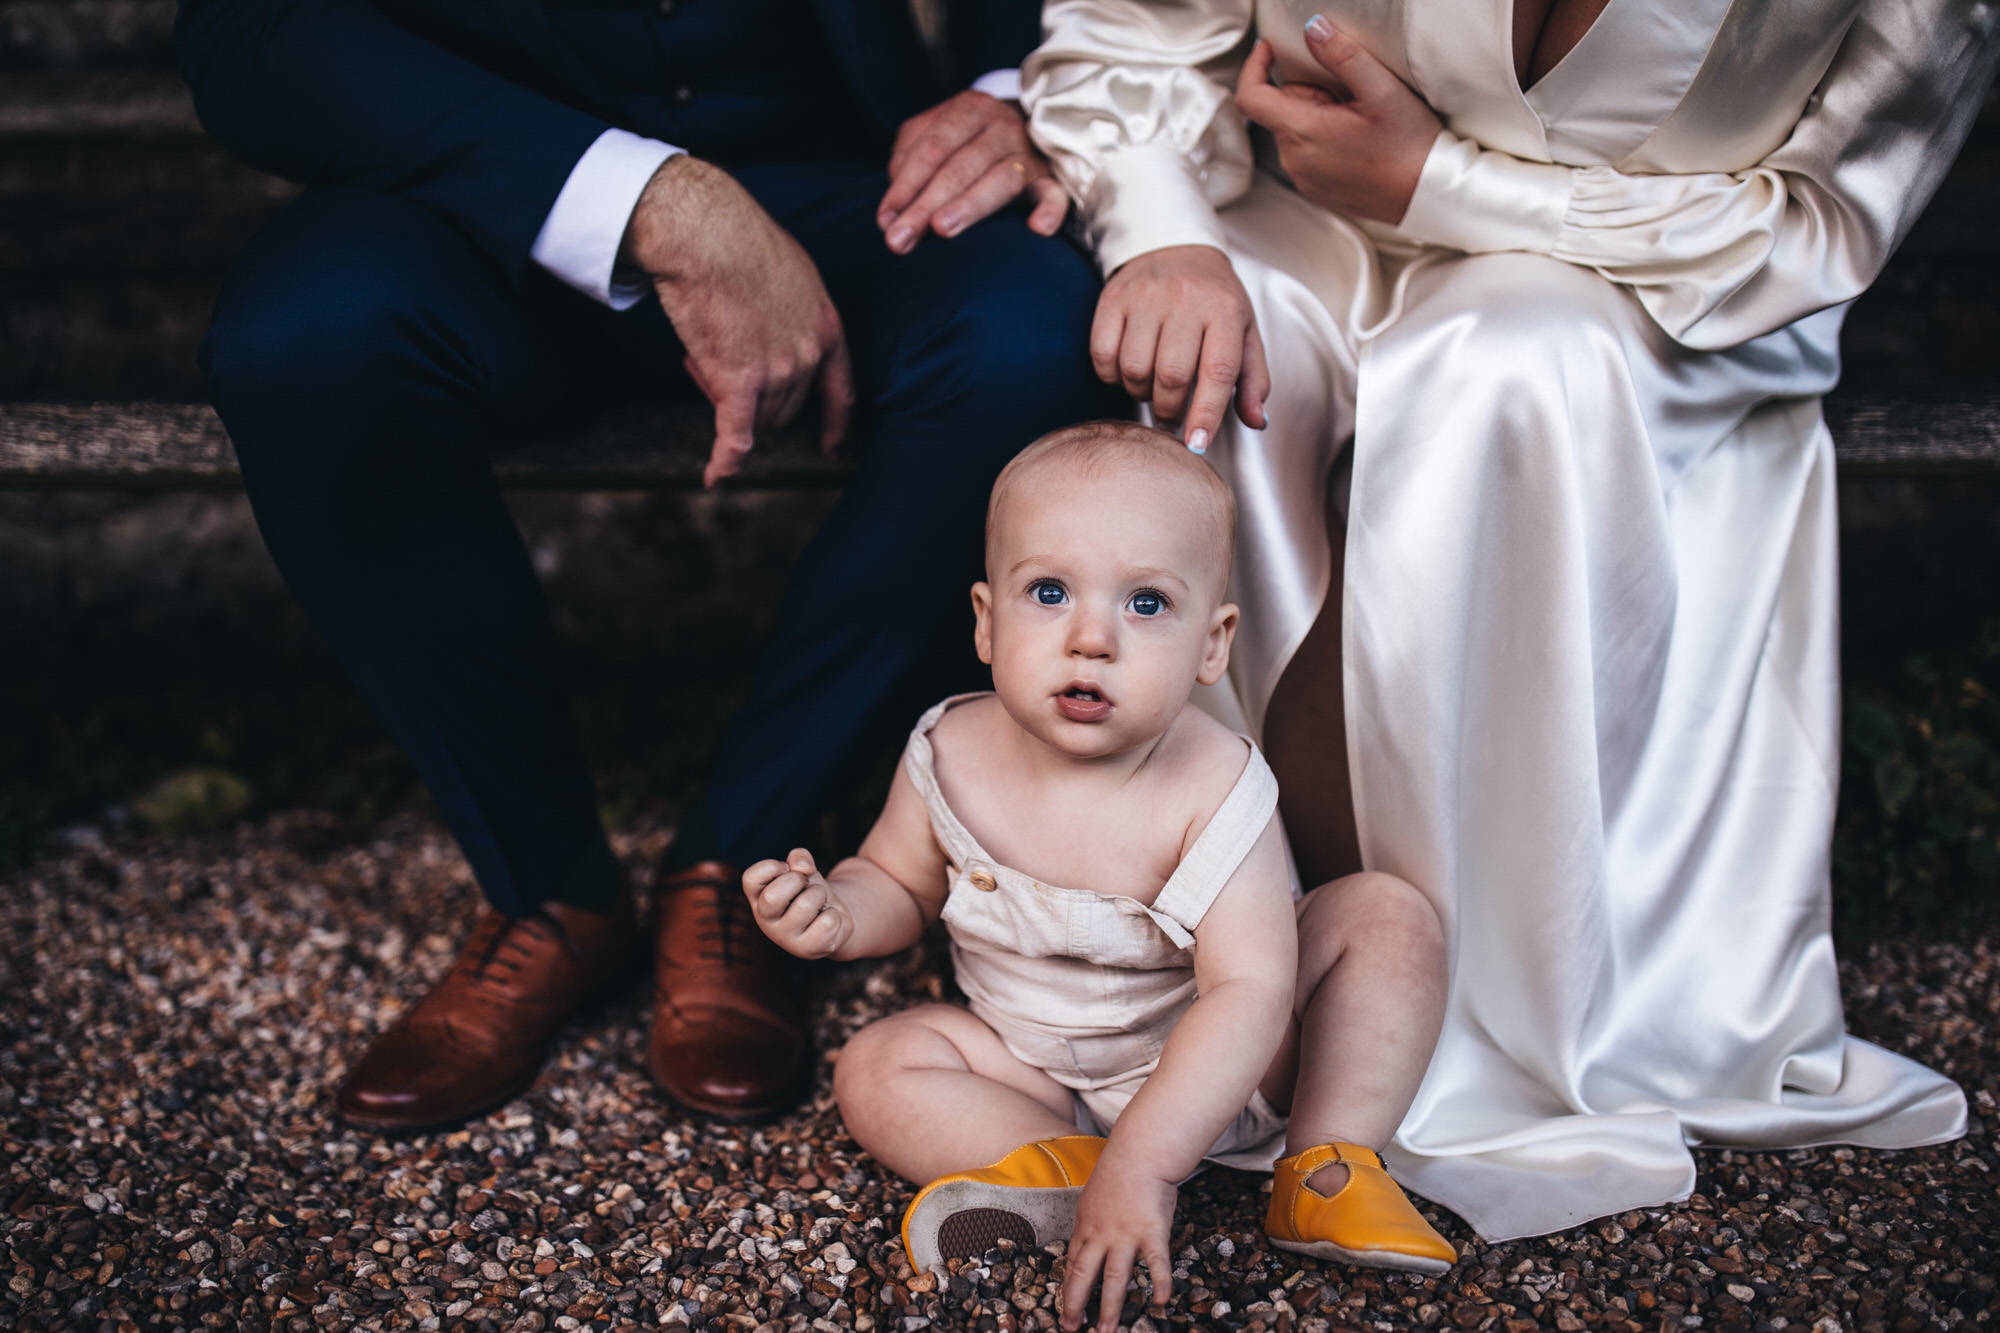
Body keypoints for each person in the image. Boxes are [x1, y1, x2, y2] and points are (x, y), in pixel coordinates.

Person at [1021, 0, 1994, 1239]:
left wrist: (1445, 183)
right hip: (1318, 223)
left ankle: (1427, 1035)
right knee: (1196, 365)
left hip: (1648, 287)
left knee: (1508, 366)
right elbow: (1134, 33)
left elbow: (1820, 222)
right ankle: (1183, 983)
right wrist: (1158, 230)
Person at [174, 0, 1122, 1131]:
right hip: (473, 195)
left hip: (843, 187)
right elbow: (249, 35)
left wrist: (1009, 92)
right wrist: (650, 199)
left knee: (1029, 338)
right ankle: (549, 891)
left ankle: (736, 856)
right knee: (305, 342)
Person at [743, 422, 1458, 1332]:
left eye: (1147, 604)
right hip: (1032, 1070)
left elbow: (1248, 990)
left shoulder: (1213, 786)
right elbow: (897, 877)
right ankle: (1064, 1168)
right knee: (878, 1065)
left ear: (1213, 643)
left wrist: (1153, 1159)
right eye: (1049, 591)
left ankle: (1326, 1162)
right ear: (986, 621)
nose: (1092, 639)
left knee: (1386, 919)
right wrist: (840, 911)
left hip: (1224, 1069)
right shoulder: (947, 750)